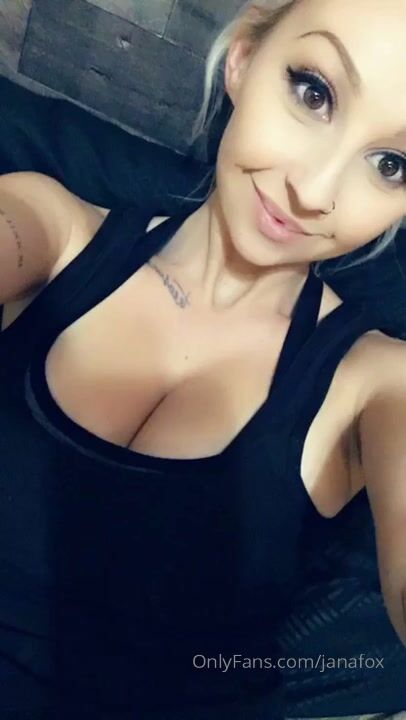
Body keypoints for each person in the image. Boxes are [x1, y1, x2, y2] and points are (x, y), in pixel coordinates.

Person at [0, 0, 406, 717]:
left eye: (391, 165)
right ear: (243, 59)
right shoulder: (49, 229)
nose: (313, 192)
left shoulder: (376, 382)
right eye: (313, 92)